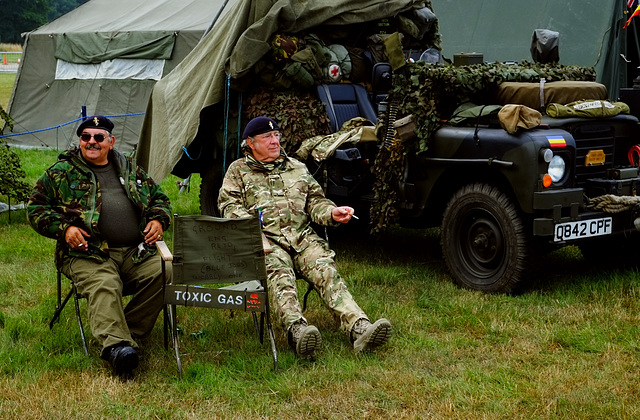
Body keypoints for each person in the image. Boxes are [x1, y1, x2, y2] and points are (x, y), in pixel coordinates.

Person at [218, 116, 392, 359]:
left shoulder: (296, 167)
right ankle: (297, 331)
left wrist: (332, 212)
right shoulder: (238, 171)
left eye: (277, 135)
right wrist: (249, 226)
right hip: (266, 242)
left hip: (302, 239)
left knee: (326, 269)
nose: (274, 141)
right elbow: (228, 205)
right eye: (267, 137)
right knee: (280, 276)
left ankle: (359, 327)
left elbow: (314, 201)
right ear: (250, 143)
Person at [28, 115, 172, 377]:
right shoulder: (61, 172)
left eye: (98, 137)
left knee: (165, 271)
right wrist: (65, 228)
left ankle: (127, 333)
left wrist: (158, 220)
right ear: (80, 141)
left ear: (111, 141)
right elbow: (35, 209)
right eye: (85, 137)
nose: (91, 142)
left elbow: (160, 199)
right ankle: (118, 349)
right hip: (87, 252)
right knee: (105, 282)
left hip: (134, 251)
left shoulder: (129, 168)